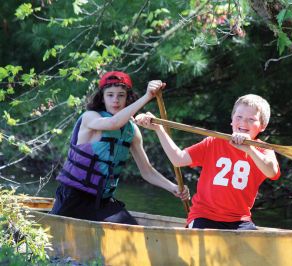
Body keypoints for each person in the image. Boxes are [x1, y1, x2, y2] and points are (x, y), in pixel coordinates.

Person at [50, 71, 189, 225]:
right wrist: (147, 96)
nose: (115, 100)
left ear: (127, 97)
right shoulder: (90, 117)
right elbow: (113, 123)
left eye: (121, 95)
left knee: (132, 230)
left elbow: (147, 171)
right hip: (74, 197)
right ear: (102, 97)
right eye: (110, 95)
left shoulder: (131, 130)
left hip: (102, 201)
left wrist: (173, 188)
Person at [135, 94, 280, 230]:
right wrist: (159, 129)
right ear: (232, 120)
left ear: (262, 126)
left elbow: (271, 171)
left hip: (239, 220)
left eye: (251, 119)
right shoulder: (214, 142)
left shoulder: (263, 150)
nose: (243, 122)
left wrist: (249, 150)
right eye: (239, 117)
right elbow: (178, 159)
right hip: (204, 216)